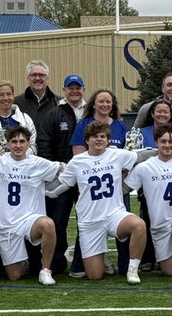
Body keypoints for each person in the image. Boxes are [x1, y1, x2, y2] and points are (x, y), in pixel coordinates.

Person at [53, 120, 147, 283]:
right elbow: (60, 185)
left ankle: (132, 270)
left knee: (138, 225)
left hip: (114, 214)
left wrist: (165, 152)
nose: (99, 139)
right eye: (95, 136)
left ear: (108, 139)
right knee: (95, 276)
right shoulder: (77, 161)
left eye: (103, 136)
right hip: (90, 221)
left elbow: (141, 156)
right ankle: (102, 259)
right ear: (87, 140)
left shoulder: (116, 154)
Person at [0, 126, 62, 285]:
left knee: (48, 224)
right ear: (8, 144)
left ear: (28, 144)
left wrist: (53, 191)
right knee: (14, 275)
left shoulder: (38, 163)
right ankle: (21, 261)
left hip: (30, 219)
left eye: (22, 141)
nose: (18, 145)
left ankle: (45, 270)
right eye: (14, 141)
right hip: (6, 223)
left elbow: (63, 169)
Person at [125, 125, 172, 281]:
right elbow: (124, 188)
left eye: (171, 141)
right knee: (169, 271)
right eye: (163, 141)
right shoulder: (144, 167)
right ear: (156, 142)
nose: (167, 145)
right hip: (160, 224)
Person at [38, 74, 89, 274]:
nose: (74, 91)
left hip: (85, 178)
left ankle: (81, 262)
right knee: (58, 221)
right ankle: (57, 261)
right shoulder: (54, 113)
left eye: (78, 87)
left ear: (83, 89)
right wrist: (52, 170)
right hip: (62, 177)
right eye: (71, 88)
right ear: (64, 90)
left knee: (86, 220)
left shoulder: (89, 113)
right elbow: (44, 144)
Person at [72, 88, 129, 153]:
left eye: (108, 102)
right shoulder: (83, 125)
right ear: (94, 105)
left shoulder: (121, 126)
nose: (105, 105)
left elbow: (127, 152)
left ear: (112, 105)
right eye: (101, 101)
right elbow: (78, 153)